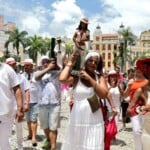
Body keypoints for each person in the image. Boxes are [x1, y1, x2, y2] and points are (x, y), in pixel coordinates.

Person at [59, 51, 116, 150]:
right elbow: (62, 79)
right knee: (77, 142)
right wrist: (70, 63)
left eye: (95, 62)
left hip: (94, 116)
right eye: (90, 60)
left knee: (92, 144)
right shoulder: (77, 76)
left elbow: (103, 94)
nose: (93, 63)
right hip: (78, 116)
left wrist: (90, 79)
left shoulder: (100, 77)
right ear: (85, 62)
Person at [35, 56, 61, 150]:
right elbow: (37, 78)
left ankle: (53, 147)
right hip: (42, 103)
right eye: (44, 62)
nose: (46, 63)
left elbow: (63, 71)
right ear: (41, 64)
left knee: (53, 127)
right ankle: (49, 140)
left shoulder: (57, 73)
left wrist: (56, 65)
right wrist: (48, 68)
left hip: (55, 104)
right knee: (45, 126)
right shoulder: (38, 73)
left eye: (48, 62)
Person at [123, 60, 149, 150]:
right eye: (136, 72)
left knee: (144, 133)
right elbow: (125, 95)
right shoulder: (132, 82)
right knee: (137, 131)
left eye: (140, 72)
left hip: (145, 111)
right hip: (135, 110)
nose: (138, 74)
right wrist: (129, 87)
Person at [6, 57, 30, 150]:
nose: (13, 66)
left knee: (19, 128)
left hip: (18, 107)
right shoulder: (3, 76)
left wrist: (26, 103)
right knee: (6, 128)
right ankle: (6, 146)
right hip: (7, 107)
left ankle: (20, 147)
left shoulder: (21, 76)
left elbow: (27, 89)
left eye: (14, 64)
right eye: (10, 64)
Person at [0, 61, 24, 150]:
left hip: (5, 113)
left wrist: (20, 109)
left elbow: (17, 89)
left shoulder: (7, 69)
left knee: (4, 142)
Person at [23, 58, 39, 146]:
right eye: (25, 66)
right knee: (28, 120)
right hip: (26, 102)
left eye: (28, 65)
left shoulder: (37, 75)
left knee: (34, 119)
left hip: (36, 101)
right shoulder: (22, 76)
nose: (26, 67)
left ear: (32, 66)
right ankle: (29, 134)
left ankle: (34, 137)